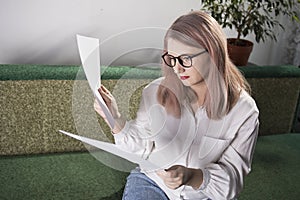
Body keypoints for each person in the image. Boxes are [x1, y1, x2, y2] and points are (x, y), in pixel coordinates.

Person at [94, 11, 259, 200]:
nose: (177, 68)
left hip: (203, 195)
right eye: (171, 58)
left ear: (212, 53)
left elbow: (231, 184)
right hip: (152, 181)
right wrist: (115, 119)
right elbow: (141, 149)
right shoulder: (155, 91)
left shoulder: (245, 111)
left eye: (186, 58)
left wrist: (192, 176)